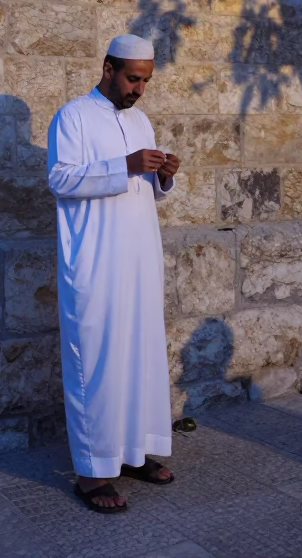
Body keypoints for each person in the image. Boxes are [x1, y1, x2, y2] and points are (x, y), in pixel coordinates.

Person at [47, 35, 182, 513]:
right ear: (108, 68)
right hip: (96, 261)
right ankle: (91, 473)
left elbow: (144, 189)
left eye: (146, 80)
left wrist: (163, 175)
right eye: (133, 78)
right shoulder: (72, 117)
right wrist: (121, 165)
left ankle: (132, 452)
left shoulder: (141, 119)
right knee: (98, 363)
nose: (140, 89)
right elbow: (60, 179)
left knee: (140, 355)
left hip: (139, 257)